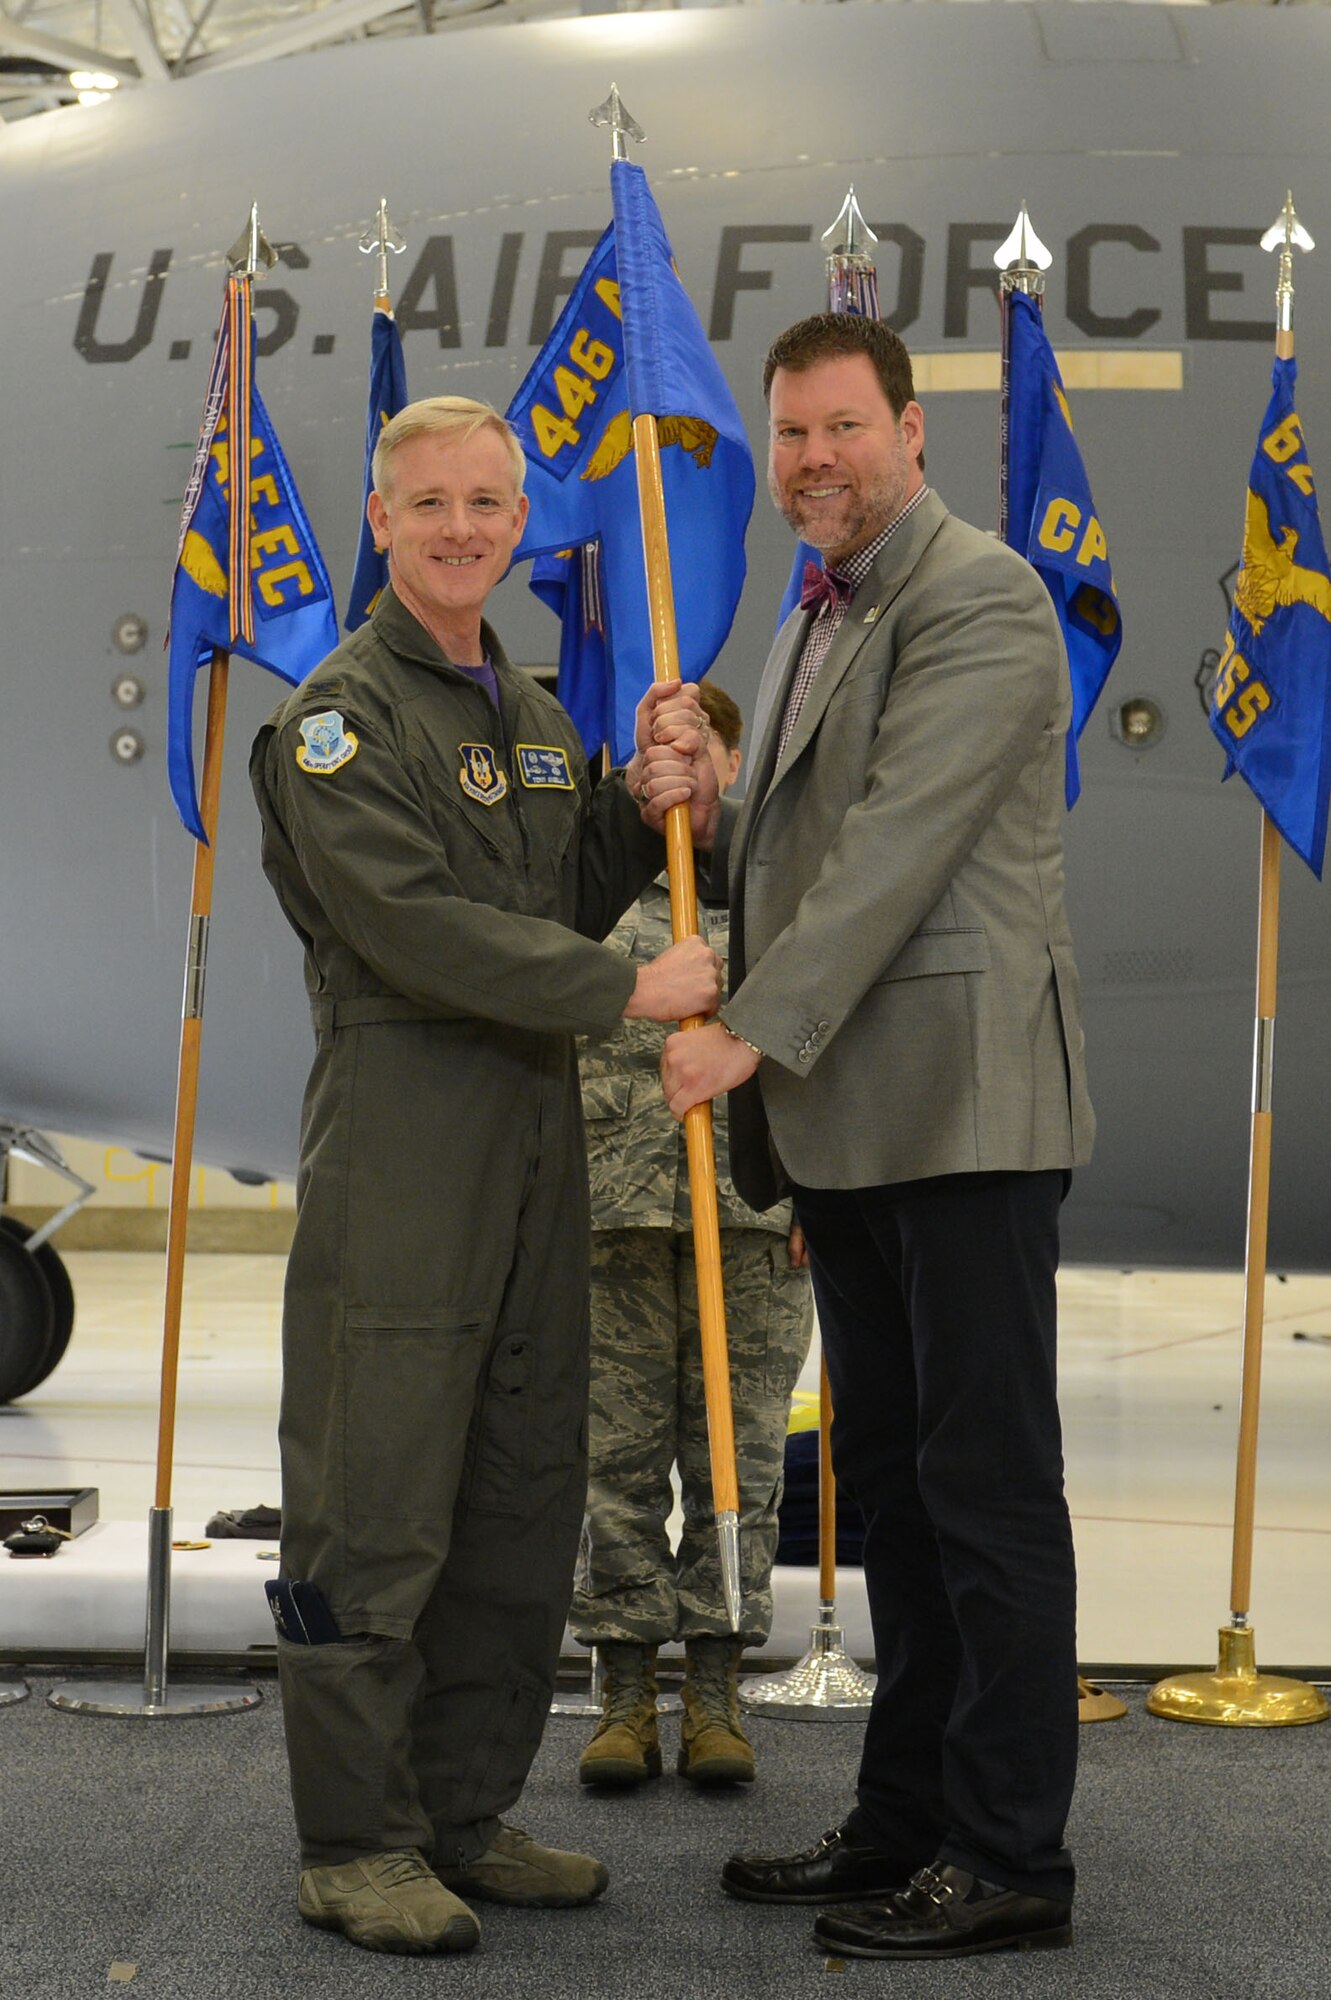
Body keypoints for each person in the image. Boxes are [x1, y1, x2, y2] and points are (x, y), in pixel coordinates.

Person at [249, 395, 721, 1959]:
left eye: (487, 503)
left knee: (517, 1502)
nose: (462, 527)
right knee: (374, 1507)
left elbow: (572, 892)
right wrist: (626, 996)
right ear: (378, 521)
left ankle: (459, 1810)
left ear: (519, 519)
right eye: (429, 503)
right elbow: (412, 926)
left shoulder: (520, 710)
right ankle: (355, 1839)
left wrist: (645, 806)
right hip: (404, 1153)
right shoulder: (334, 719)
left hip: (533, 1154)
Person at [660, 315, 1095, 1962]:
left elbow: (900, 850)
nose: (813, 461)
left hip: (965, 1114)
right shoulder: (811, 610)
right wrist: (717, 769)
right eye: (790, 436)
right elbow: (810, 831)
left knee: (986, 1499)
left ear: (912, 431)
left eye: (843, 429)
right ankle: (906, 1822)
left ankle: (1008, 1858)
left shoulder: (978, 592)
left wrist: (748, 1034)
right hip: (856, 1123)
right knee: (897, 1499)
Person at [571, 680, 813, 1791]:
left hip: (753, 1215)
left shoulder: (782, 873)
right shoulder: (599, 862)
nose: (678, 758)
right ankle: (623, 1689)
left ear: (732, 752)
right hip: (612, 1212)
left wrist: (815, 1188)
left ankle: (713, 1685)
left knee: (737, 1458)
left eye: (698, 738)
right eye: (657, 742)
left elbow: (822, 1025)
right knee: (612, 1461)